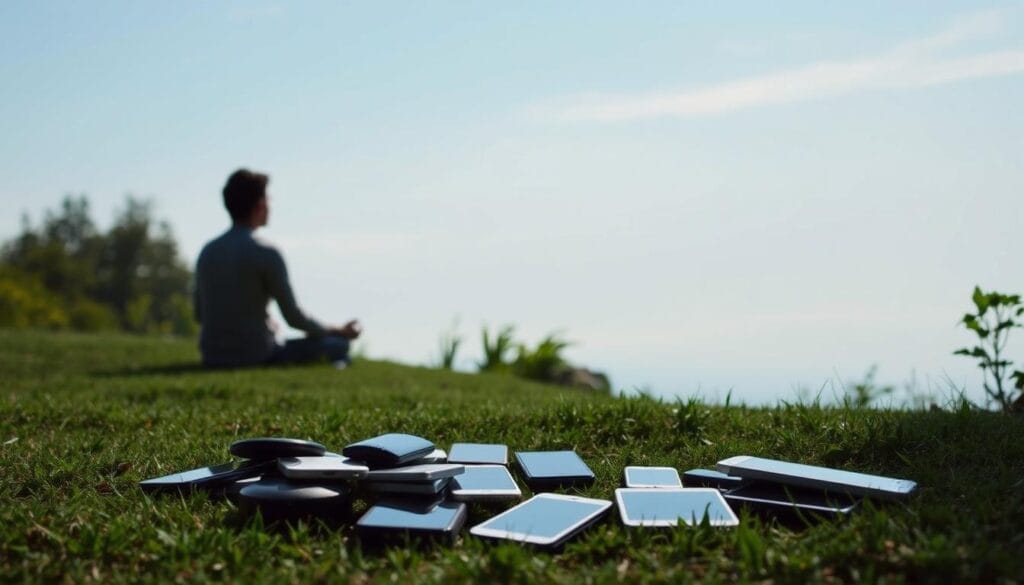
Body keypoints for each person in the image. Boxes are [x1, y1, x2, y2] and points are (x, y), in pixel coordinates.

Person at [193, 168, 361, 368]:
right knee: (339, 345)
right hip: (258, 354)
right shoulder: (266, 252)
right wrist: (338, 330)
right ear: (260, 204)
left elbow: (199, 313)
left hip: (212, 357)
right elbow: (293, 316)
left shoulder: (208, 251)